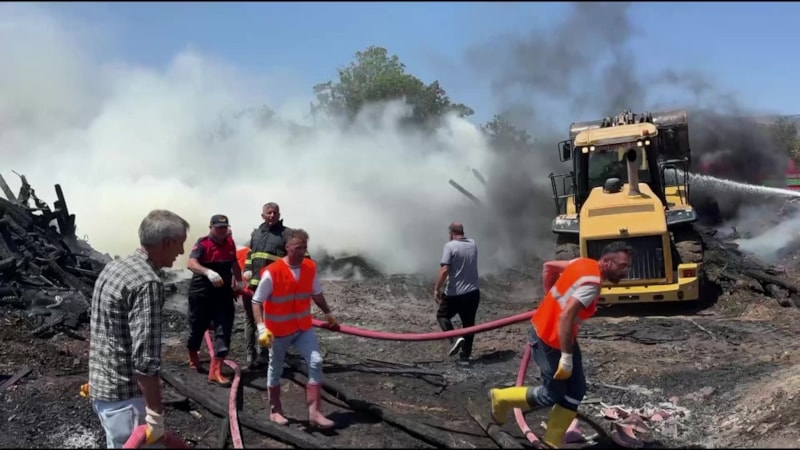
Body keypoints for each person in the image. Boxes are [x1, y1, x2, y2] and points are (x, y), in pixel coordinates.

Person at [488, 241, 633, 448]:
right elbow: (565, 317)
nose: (626, 271)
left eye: (627, 266)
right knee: (552, 394)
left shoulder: (582, 263)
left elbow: (549, 266)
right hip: (550, 340)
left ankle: (552, 441)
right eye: (623, 266)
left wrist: (549, 293)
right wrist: (566, 357)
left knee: (576, 389)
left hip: (561, 337)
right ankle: (501, 397)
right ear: (608, 261)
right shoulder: (591, 284)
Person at [88, 209, 190, 448]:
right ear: (166, 243)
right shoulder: (147, 283)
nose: (182, 253)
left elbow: (102, 329)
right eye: (180, 245)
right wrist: (155, 415)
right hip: (127, 401)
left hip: (103, 390)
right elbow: (144, 361)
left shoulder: (115, 267)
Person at [251, 228, 340, 429]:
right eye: (298, 248)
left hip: (302, 329)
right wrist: (261, 328)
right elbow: (256, 301)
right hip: (279, 331)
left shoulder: (309, 267)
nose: (302, 252)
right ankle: (275, 410)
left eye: (305, 248)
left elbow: (316, 294)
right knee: (276, 368)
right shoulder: (272, 273)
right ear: (288, 248)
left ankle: (314, 412)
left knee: (316, 361)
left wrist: (328, 314)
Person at [241, 202, 309, 369]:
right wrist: (248, 269)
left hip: (274, 287)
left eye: (275, 213)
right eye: (269, 213)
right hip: (253, 286)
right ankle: (251, 356)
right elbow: (250, 254)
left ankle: (266, 355)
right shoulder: (256, 233)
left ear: (279, 215)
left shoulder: (287, 234)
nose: (272, 215)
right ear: (262, 215)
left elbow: (304, 256)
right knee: (250, 321)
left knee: (269, 322)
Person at [186, 214, 244, 387]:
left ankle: (215, 371)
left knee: (224, 328)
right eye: (218, 227)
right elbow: (191, 263)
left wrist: (239, 282)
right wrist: (208, 272)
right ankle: (193, 353)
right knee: (197, 326)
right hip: (202, 292)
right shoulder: (202, 244)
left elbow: (234, 264)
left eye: (224, 227)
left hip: (223, 292)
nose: (221, 231)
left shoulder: (230, 243)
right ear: (211, 227)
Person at [433, 222, 480, 360]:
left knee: (442, 316)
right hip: (473, 292)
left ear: (451, 234)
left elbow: (445, 269)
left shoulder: (450, 246)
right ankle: (465, 355)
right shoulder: (473, 243)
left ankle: (453, 339)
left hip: (455, 294)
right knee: (469, 324)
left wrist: (436, 289)